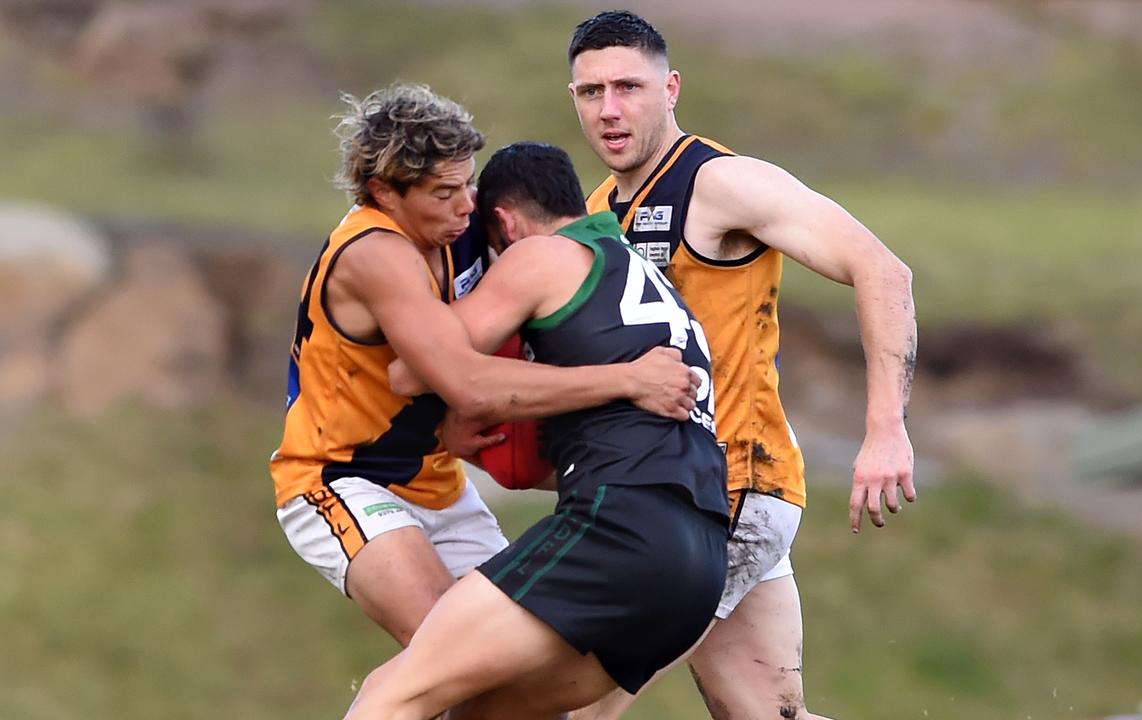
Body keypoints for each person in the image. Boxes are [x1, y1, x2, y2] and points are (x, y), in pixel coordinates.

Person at [565, 11, 919, 719]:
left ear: (670, 88)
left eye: (628, 87)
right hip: (676, 491)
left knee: (566, 704)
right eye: (589, 91)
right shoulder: (600, 210)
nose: (609, 109)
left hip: (727, 490)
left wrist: (885, 431)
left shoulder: (719, 183)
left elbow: (882, 270)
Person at [270, 84, 701, 649]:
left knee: (519, 675)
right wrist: (628, 379)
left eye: (469, 183)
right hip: (344, 478)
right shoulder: (374, 253)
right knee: (449, 656)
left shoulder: (464, 225)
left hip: (438, 480)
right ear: (384, 191)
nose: (466, 205)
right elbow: (469, 385)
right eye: (445, 191)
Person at [343, 141, 730, 720]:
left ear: (503, 222)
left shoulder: (542, 255)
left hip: (621, 529)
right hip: (699, 567)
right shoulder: (653, 285)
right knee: (483, 713)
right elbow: (632, 437)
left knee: (395, 691)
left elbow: (412, 371)